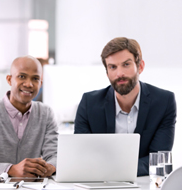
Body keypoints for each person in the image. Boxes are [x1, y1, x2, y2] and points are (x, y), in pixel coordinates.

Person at [74, 37, 176, 176]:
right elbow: (82, 156)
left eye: (126, 64)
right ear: (107, 72)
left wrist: (111, 169)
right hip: (102, 185)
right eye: (112, 67)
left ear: (140, 66)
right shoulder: (88, 103)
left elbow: (160, 161)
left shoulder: (164, 102)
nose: (119, 73)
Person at [0, 56, 58, 178]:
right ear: (9, 79)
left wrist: (51, 166)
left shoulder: (46, 114)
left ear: (40, 84)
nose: (29, 84)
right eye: (22, 76)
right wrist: (10, 169)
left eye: (35, 79)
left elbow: (55, 155)